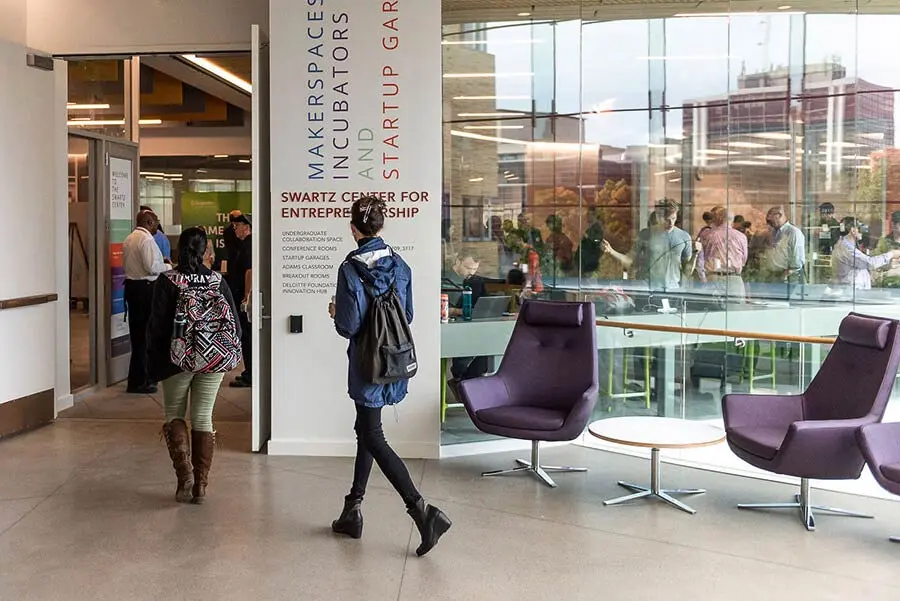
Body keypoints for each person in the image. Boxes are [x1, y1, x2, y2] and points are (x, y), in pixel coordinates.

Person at [328, 195, 451, 556]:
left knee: (373, 435)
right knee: (365, 431)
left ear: (354, 229)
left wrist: (337, 311)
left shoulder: (350, 270)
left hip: (367, 366)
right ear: (381, 227)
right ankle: (353, 509)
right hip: (394, 361)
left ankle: (423, 511)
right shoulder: (401, 265)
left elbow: (348, 326)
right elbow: (407, 315)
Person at [147, 227, 242, 504]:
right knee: (203, 417)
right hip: (213, 358)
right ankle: (201, 485)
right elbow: (234, 324)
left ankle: (184, 476)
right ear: (205, 252)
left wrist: (152, 364)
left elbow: (155, 328)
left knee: (174, 414)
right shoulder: (216, 280)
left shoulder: (168, 281)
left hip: (175, 359)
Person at [122, 209, 171, 394]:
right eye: (156, 221)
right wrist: (168, 265)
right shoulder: (147, 240)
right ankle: (143, 380)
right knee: (146, 336)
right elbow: (152, 268)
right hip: (146, 290)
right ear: (149, 222)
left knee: (137, 336)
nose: (157, 225)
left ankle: (135, 379)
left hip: (132, 288)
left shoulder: (130, 238)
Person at [602, 200, 701, 291]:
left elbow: (687, 272)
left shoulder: (684, 237)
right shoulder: (646, 234)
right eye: (667, 219)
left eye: (673, 218)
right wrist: (611, 251)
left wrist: (695, 254)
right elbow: (629, 260)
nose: (671, 223)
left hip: (673, 290)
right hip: (648, 290)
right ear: (659, 217)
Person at [446, 253, 491, 393]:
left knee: (487, 348)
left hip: (471, 326)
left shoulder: (476, 281)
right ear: (457, 261)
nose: (471, 272)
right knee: (471, 347)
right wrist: (457, 311)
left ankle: (464, 384)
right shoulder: (444, 277)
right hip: (450, 327)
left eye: (474, 269)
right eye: (467, 268)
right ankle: (462, 382)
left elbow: (483, 305)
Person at [832, 217, 900, 290]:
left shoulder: (848, 245)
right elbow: (870, 263)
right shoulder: (846, 248)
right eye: (861, 229)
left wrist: (886, 265)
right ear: (853, 230)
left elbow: (863, 264)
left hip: (855, 290)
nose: (864, 232)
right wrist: (891, 254)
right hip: (852, 291)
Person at [699, 206, 748, 301]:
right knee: (736, 312)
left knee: (712, 312)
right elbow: (744, 260)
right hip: (735, 279)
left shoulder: (707, 235)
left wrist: (702, 278)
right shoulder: (741, 237)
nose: (712, 220)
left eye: (713, 217)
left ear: (719, 218)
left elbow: (701, 257)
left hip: (714, 278)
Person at [229, 214, 253, 388]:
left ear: (247, 227)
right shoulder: (244, 244)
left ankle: (250, 374)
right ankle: (248, 371)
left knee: (247, 336)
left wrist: (246, 296)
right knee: (245, 336)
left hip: (244, 297)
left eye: (237, 225)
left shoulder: (249, 244)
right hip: (240, 294)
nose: (234, 228)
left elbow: (249, 272)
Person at [762, 206, 806, 286]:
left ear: (778, 215)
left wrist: (787, 273)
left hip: (788, 277)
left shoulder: (793, 232)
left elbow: (797, 258)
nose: (769, 223)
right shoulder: (773, 232)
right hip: (772, 276)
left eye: (770, 220)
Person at [874, 211, 900, 287]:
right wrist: (888, 264)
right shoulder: (884, 242)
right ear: (893, 224)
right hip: (890, 283)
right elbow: (876, 262)